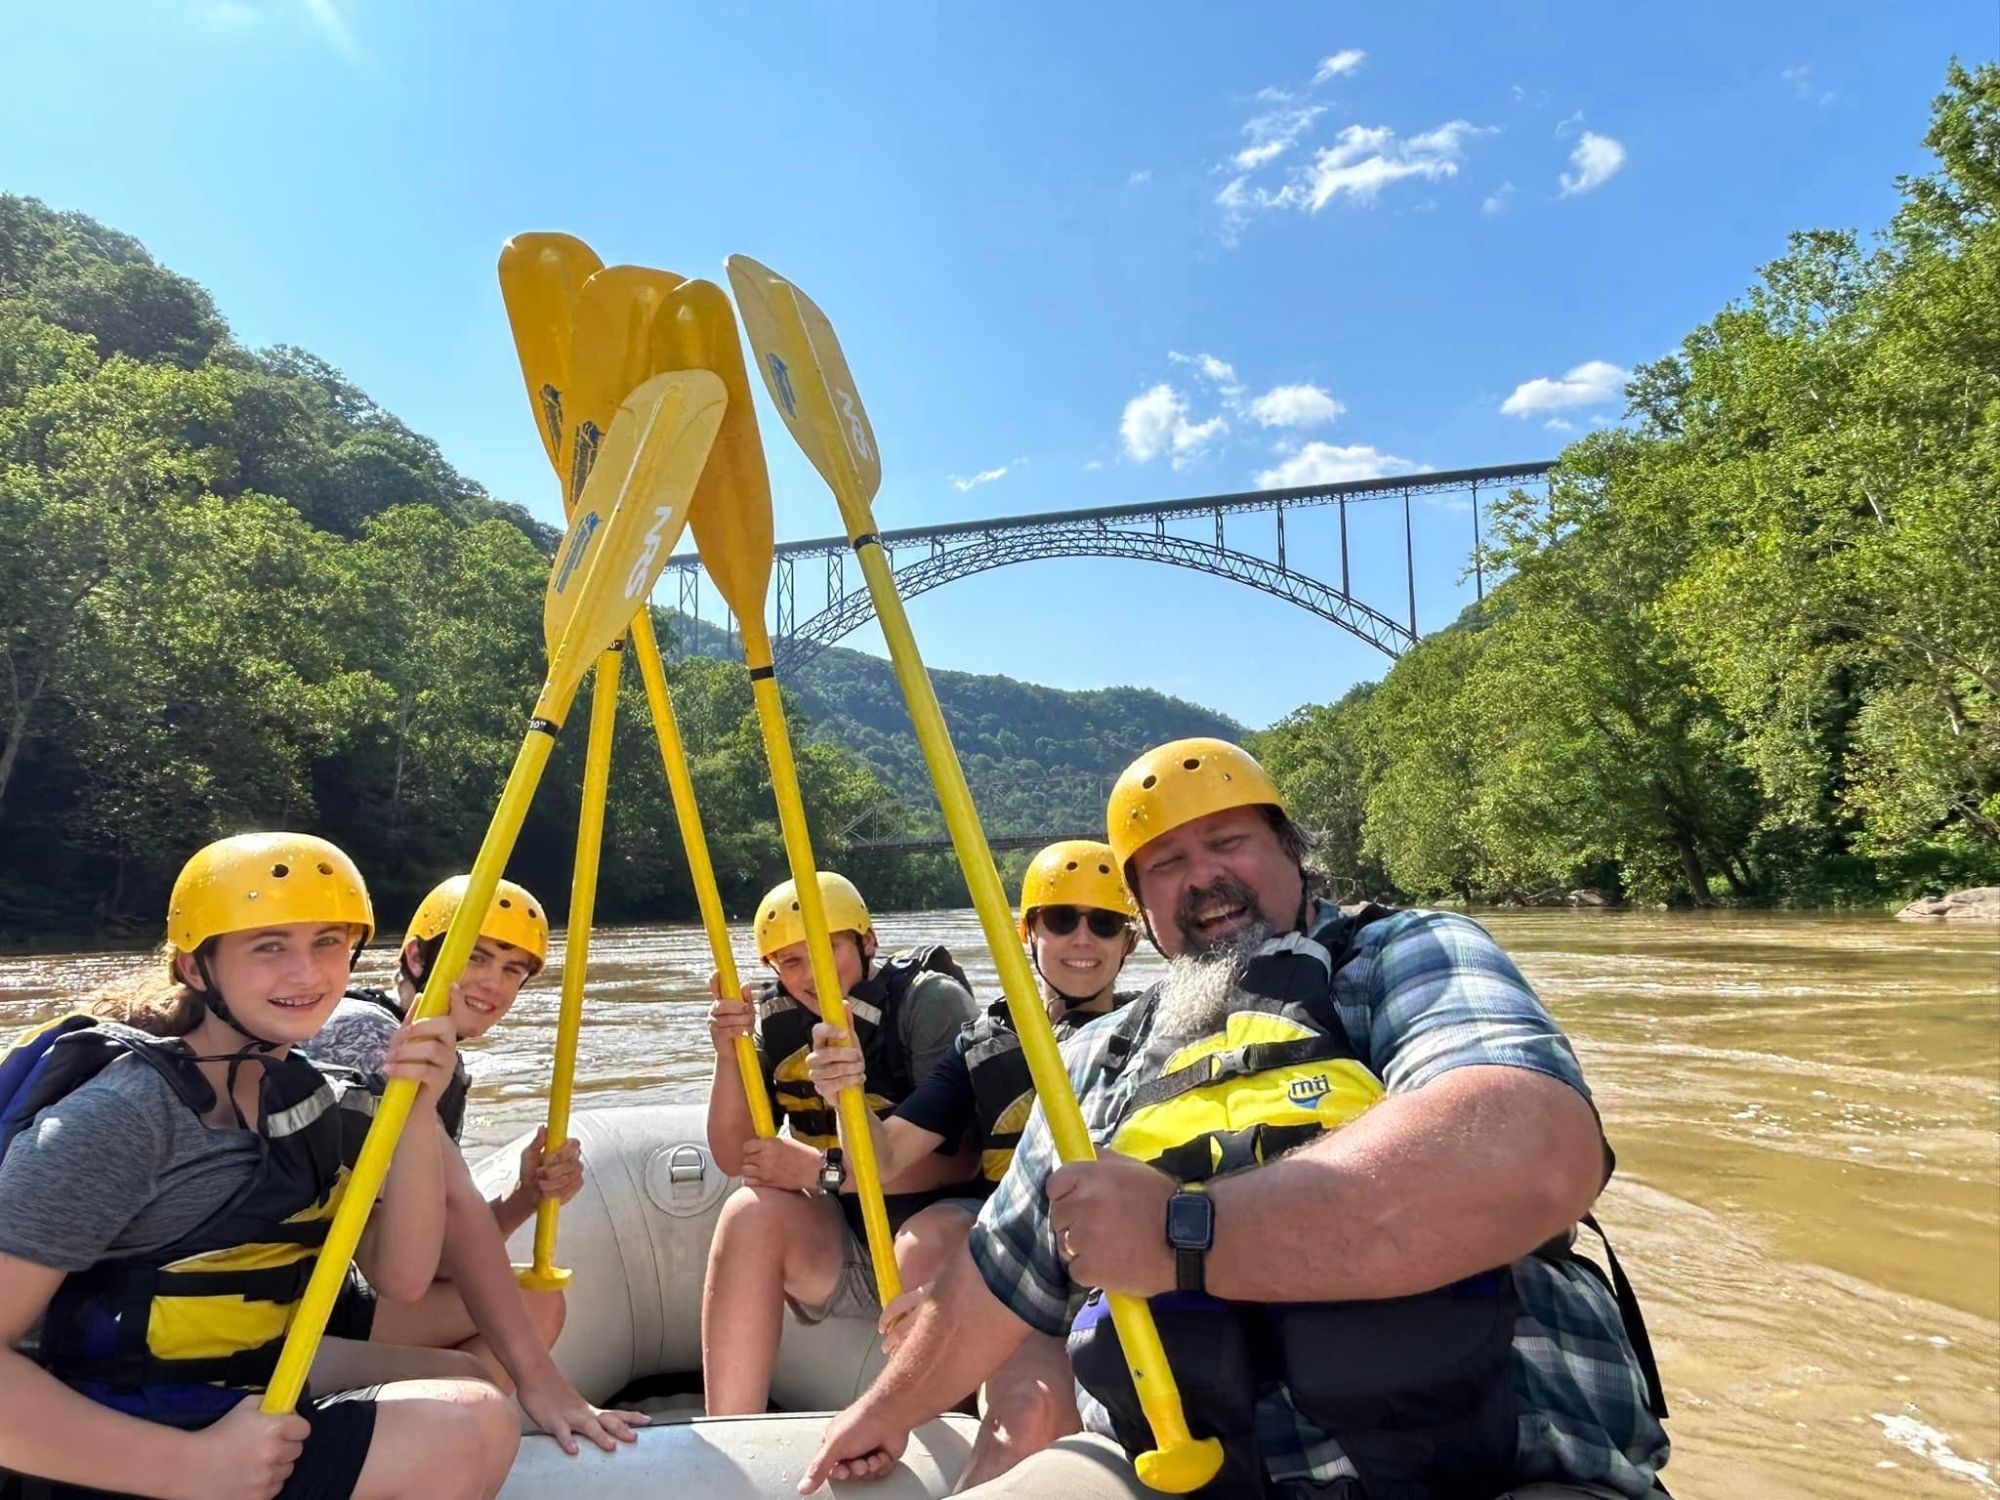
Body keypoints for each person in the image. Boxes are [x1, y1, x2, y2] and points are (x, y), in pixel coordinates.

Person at [801, 739, 1672, 1500]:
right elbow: (1001, 1278)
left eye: (1228, 843)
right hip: (1181, 1474)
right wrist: (883, 1410)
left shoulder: (1405, 956)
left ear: (1293, 856)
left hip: (1510, 1469)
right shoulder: (1098, 1058)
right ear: (1147, 908)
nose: (1204, 876)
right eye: (1165, 865)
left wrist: (1189, 1235)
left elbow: (1532, 1148)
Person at [0, 833, 520, 1500]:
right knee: (468, 1426)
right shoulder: (120, 1118)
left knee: (471, 1383)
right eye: (269, 946)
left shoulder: (308, 1097)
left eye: (328, 942)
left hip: (225, 1394)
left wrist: (417, 1109)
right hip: (113, 1449)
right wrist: (187, 1468)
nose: (307, 974)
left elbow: (402, 1275)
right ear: (196, 967)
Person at [804, 840, 1142, 1491]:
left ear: (1129, 941)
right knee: (929, 1235)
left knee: (1031, 1406)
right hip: (1015, 1268)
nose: (1083, 938)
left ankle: (976, 1411)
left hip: (1100, 1269)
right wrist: (844, 1091)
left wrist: (955, 1305)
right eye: (1060, 919)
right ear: (1028, 931)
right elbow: (884, 1159)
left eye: (1104, 923)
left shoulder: (1153, 1031)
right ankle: (933, 1406)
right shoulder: (985, 1045)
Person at [301, 875, 639, 1452]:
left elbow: (427, 1250)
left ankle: (406, 1441)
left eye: (512, 969)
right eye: (476, 957)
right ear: (415, 956)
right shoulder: (371, 1039)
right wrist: (543, 1384)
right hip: (281, 1312)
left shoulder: (437, 1059)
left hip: (331, 1293)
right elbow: (408, 1272)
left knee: (535, 1305)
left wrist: (524, 1197)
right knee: (480, 1382)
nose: (493, 983)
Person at [701, 871, 981, 1415]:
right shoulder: (777, 1021)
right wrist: (727, 1053)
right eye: (791, 961)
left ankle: (944, 1433)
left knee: (918, 1243)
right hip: (851, 1239)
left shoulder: (931, 1004)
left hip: (945, 1233)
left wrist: (819, 1171)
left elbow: (961, 1160)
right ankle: (731, 1430)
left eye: (827, 951)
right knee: (747, 1213)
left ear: (867, 942)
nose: (812, 975)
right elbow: (735, 1156)